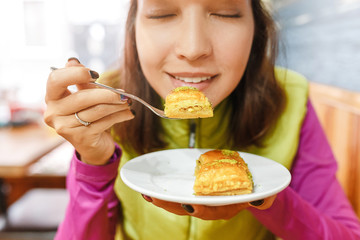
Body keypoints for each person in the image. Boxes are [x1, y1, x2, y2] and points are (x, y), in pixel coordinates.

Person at [44, 0, 360, 239]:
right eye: (162, 13)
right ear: (134, 28)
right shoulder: (105, 104)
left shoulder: (290, 98)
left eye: (225, 12)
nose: (193, 49)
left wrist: (267, 198)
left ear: (257, 29)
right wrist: (93, 165)